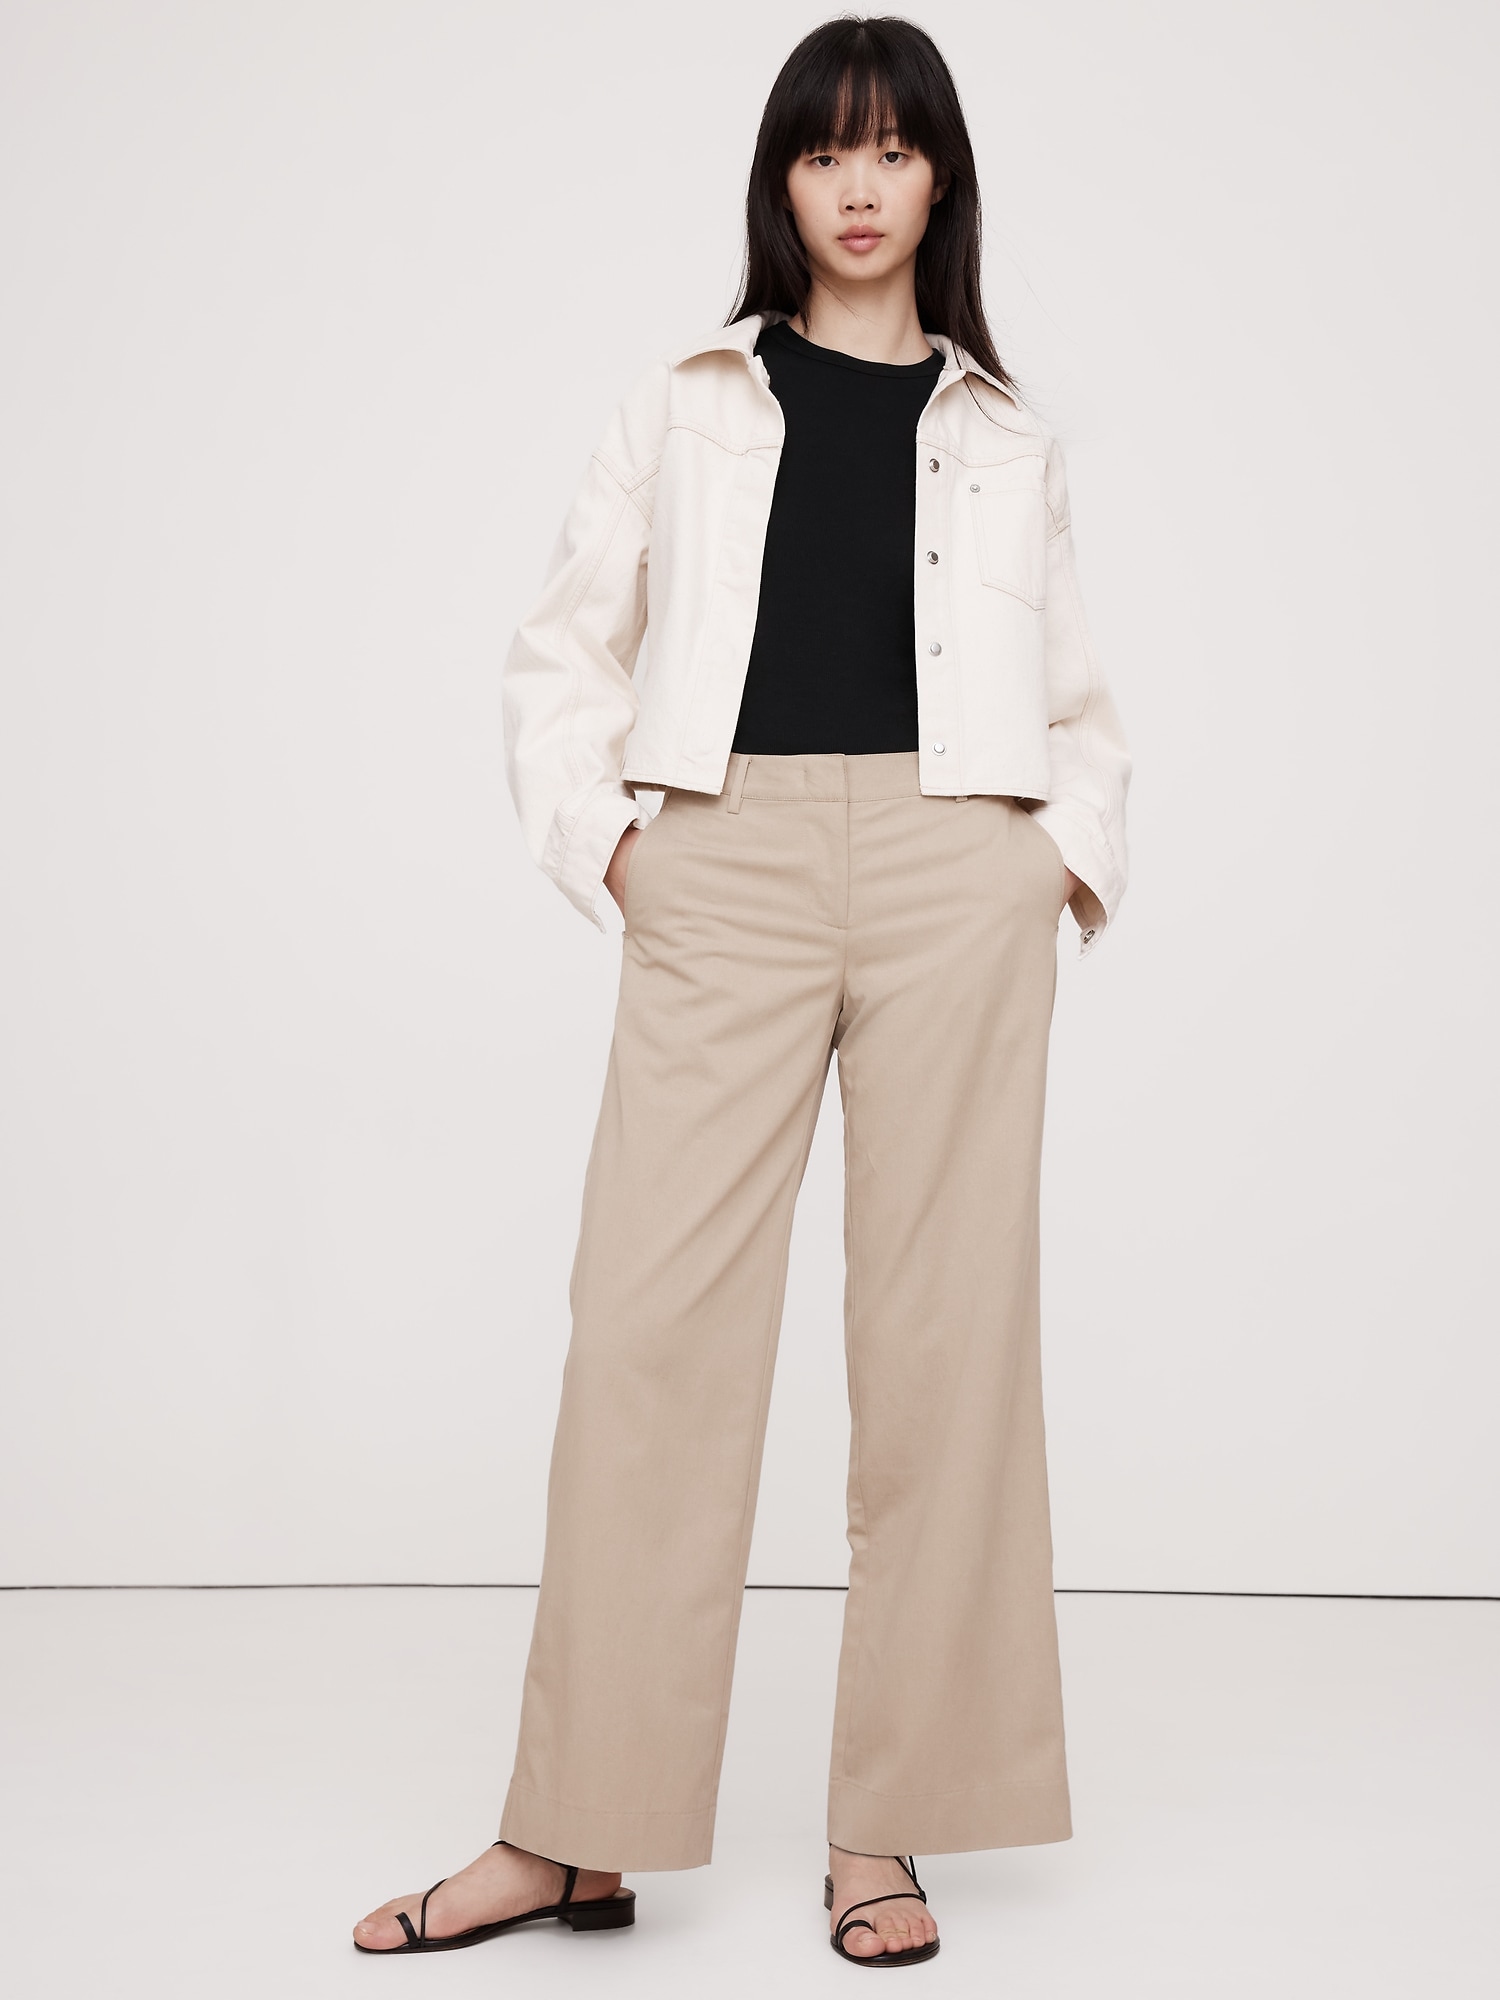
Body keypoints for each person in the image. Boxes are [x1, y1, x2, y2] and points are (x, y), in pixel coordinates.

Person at [353, 13, 1129, 1969]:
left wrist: (1051, 863)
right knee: (647, 1339)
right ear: (780, 181)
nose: (859, 188)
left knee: (946, 1354)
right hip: (726, 858)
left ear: (941, 181)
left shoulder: (1006, 432)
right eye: (822, 152)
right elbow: (562, 650)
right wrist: (622, 852)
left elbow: (1080, 698)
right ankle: (572, 1831)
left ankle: (888, 1832)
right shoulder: (687, 399)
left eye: (894, 151)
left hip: (958, 867)